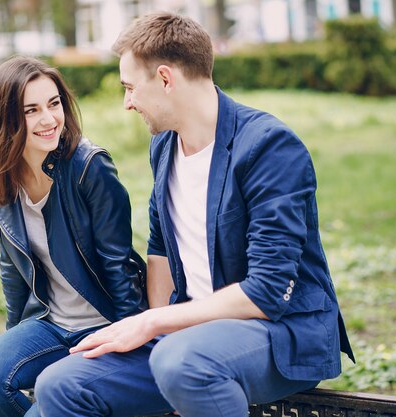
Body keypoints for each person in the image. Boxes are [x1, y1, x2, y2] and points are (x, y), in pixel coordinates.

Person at [33, 12, 355, 417]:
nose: (127, 102)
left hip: (278, 332)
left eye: (130, 87)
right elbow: (160, 248)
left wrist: (156, 325)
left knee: (181, 363)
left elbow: (268, 291)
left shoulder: (269, 147)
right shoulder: (164, 146)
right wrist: (157, 323)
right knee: (60, 385)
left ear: (166, 79)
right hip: (186, 337)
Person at [0, 56, 146, 417]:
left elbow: (118, 264)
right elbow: (12, 270)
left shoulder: (89, 168)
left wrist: (134, 347)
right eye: (31, 110)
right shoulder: (2, 180)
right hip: (50, 322)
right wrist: (13, 341)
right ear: (6, 120)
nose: (49, 119)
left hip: (102, 326)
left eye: (54, 103)